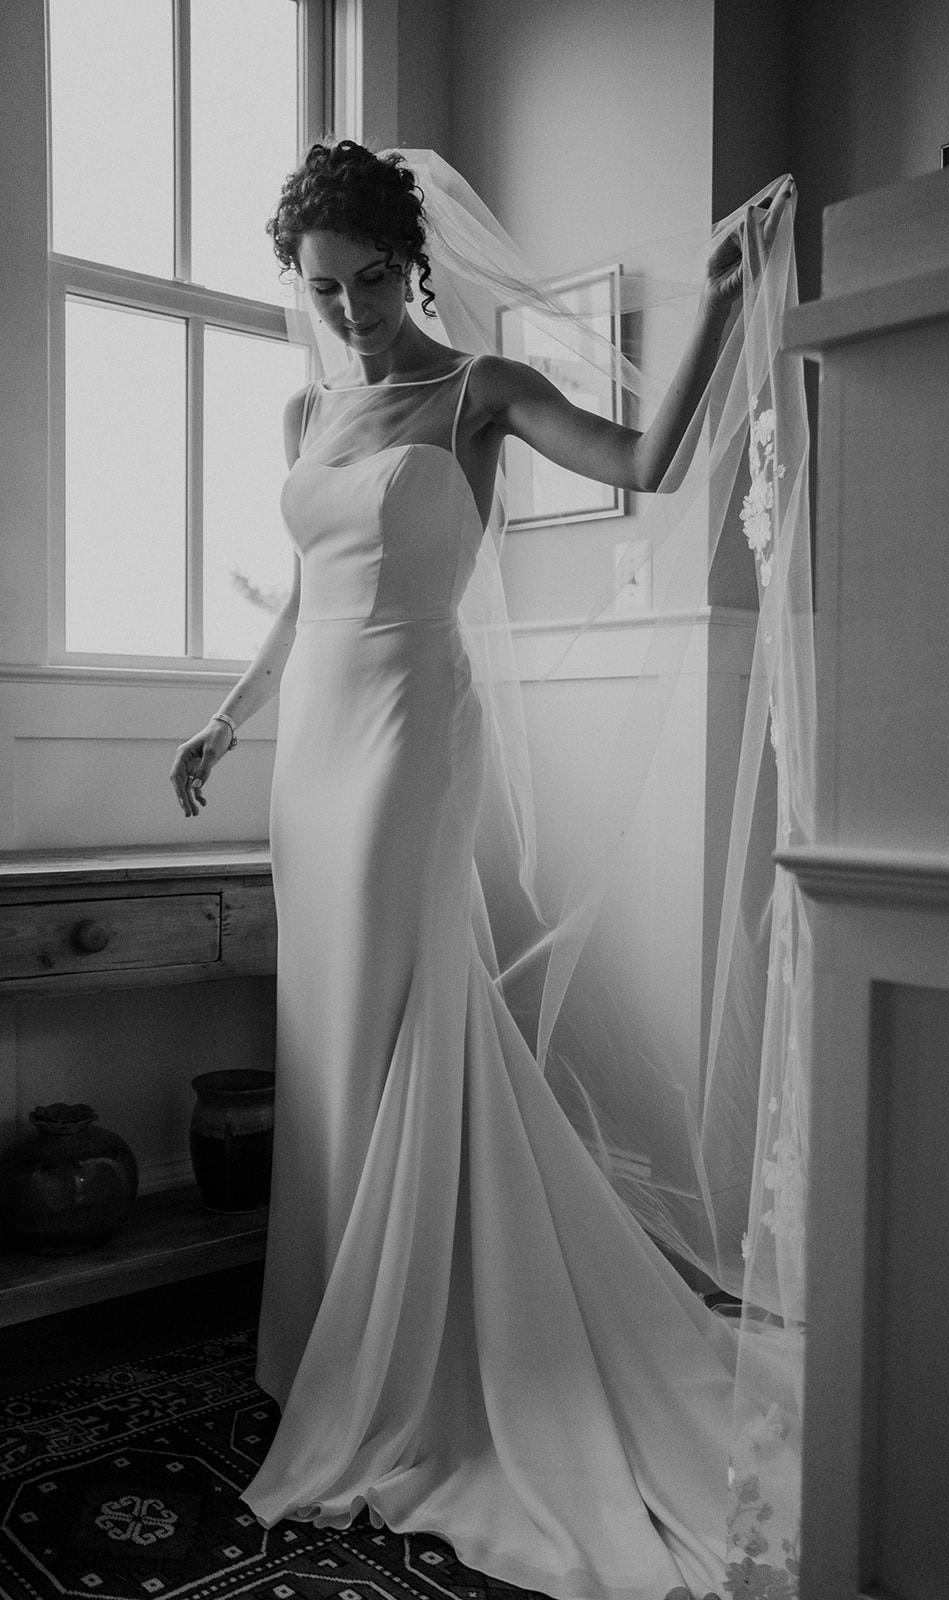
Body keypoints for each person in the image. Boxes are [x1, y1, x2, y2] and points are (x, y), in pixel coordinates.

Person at [169, 142, 794, 1600]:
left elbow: (650, 467)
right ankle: (334, 1332)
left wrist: (708, 307)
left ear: (416, 262)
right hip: (312, 749)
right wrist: (226, 718)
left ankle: (421, 1349)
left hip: (408, 737)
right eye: (326, 290)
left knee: (398, 1025)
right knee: (328, 1036)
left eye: (375, 280)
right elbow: (307, 602)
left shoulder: (479, 395)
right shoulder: (304, 404)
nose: (355, 312)